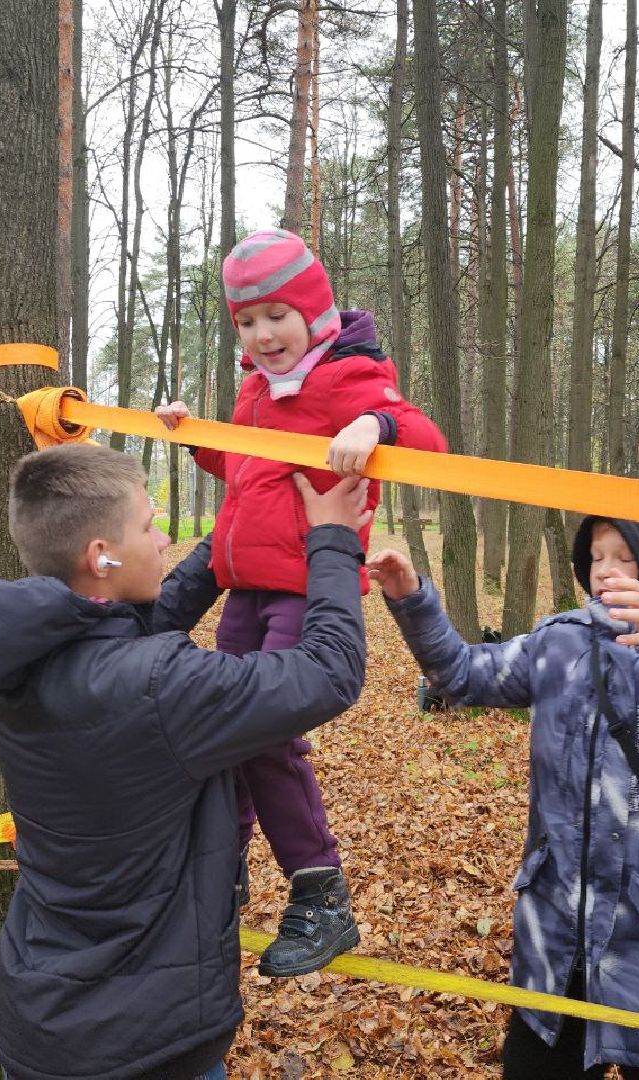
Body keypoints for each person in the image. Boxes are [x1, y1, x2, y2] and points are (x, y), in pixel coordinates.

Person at [0, 442, 373, 1080]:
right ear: (100, 555)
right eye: (148, 525)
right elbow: (328, 672)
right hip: (144, 1048)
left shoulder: (19, 662)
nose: (163, 538)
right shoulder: (161, 687)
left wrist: (237, 533)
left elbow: (135, 622)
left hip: (42, 1020)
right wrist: (330, 539)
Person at [368, 517, 639, 1079]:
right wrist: (412, 601)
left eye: (623, 556)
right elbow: (461, 676)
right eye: (596, 556)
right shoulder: (560, 641)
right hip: (558, 934)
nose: (605, 570)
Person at [154, 226, 447, 977]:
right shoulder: (257, 388)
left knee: (264, 729)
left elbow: (427, 440)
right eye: (246, 322)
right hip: (247, 584)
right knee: (226, 730)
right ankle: (225, 867)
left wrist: (372, 425)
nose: (262, 334)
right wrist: (195, 439)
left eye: (276, 315)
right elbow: (248, 471)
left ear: (313, 312)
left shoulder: (347, 374)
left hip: (307, 588)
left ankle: (321, 892)